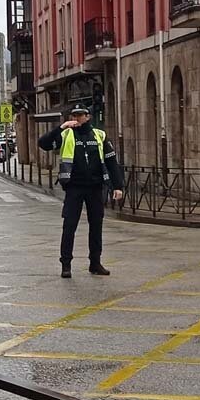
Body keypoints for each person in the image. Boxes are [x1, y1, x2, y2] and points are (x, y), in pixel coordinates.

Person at [38, 104, 124, 279]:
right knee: (69, 225)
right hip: (74, 187)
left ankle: (95, 262)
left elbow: (111, 162)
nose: (77, 118)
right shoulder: (66, 134)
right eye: (74, 115)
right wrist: (61, 127)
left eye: (80, 115)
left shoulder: (100, 135)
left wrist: (118, 186)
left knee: (96, 226)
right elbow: (44, 144)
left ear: (88, 116)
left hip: (95, 187)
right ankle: (66, 264)